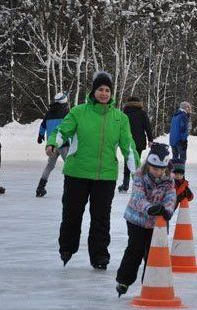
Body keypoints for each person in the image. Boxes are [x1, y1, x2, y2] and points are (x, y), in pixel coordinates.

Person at [46, 71, 139, 269]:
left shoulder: (120, 118)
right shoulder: (79, 112)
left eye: (107, 90)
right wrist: (53, 143)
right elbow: (62, 131)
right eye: (100, 89)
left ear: (111, 93)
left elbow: (128, 146)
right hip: (76, 173)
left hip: (105, 176)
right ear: (93, 91)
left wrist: (136, 172)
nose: (104, 93)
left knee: (101, 218)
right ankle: (67, 247)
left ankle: (99, 255)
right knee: (72, 213)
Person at [115, 143, 176, 297]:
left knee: (153, 253)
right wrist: (148, 208)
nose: (158, 172)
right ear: (149, 165)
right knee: (135, 249)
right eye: (155, 168)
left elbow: (171, 196)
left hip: (158, 224)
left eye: (162, 169)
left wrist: (168, 210)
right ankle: (124, 280)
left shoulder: (169, 179)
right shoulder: (139, 176)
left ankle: (150, 283)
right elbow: (137, 197)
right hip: (137, 219)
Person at [35, 92, 70, 197]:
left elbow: (43, 126)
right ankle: (70, 190)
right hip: (63, 144)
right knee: (69, 166)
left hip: (51, 146)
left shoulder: (49, 112)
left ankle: (40, 187)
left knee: (50, 166)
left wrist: (40, 136)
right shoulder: (67, 112)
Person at [117, 96, 154, 193]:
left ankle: (125, 185)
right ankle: (137, 185)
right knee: (136, 162)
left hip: (127, 142)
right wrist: (150, 139)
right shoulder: (142, 113)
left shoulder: (124, 113)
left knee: (127, 162)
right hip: (139, 141)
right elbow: (147, 127)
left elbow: (119, 128)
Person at [169, 101, 191, 165]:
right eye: (188, 107)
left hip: (173, 140)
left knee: (175, 158)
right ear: (185, 108)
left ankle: (173, 173)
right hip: (180, 141)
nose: (190, 109)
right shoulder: (183, 115)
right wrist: (184, 140)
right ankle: (181, 174)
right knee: (182, 158)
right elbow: (183, 128)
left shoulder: (175, 115)